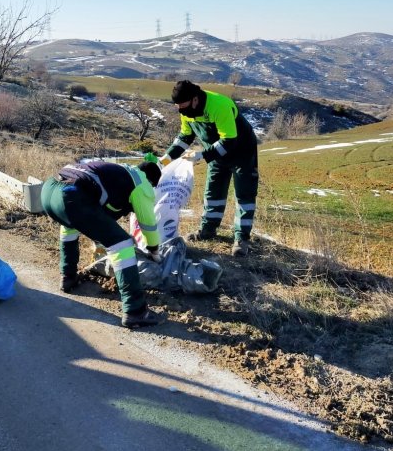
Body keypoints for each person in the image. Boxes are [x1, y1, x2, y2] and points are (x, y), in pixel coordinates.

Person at [41, 159, 165, 328]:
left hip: (50, 191)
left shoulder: (119, 173)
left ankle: (67, 277)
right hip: (71, 195)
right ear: (151, 181)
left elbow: (96, 215)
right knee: (122, 243)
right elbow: (149, 225)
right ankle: (136, 311)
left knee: (71, 225)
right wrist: (154, 251)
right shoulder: (141, 182)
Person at [160, 80, 258, 256]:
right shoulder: (186, 110)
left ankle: (242, 238)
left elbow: (229, 140)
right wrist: (165, 159)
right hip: (216, 152)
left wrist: (202, 155)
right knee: (213, 193)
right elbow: (185, 137)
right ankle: (208, 230)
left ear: (195, 99)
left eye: (183, 106)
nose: (181, 111)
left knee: (244, 194)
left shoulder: (219, 105)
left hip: (241, 151)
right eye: (178, 108)